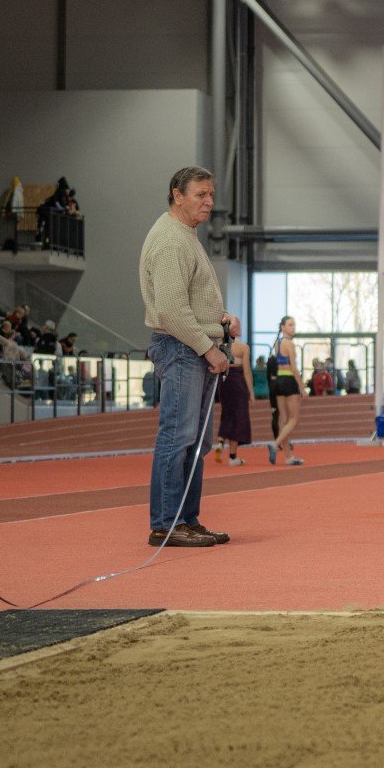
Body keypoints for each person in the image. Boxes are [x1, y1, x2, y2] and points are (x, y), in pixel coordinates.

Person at [138, 164, 240, 549]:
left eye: (211, 194)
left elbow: (188, 304)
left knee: (195, 442)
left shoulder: (185, 236)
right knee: (178, 438)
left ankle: (187, 520)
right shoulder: (170, 241)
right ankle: (165, 524)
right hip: (181, 348)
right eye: (200, 194)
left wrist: (221, 319)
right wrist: (208, 348)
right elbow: (171, 311)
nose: (209, 201)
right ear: (177, 195)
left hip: (191, 346)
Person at [268, 316, 306, 466]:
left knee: (283, 419)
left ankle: (288, 457)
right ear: (283, 327)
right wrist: (302, 387)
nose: (293, 328)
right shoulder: (289, 343)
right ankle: (275, 443)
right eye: (290, 325)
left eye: (294, 325)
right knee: (293, 419)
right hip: (288, 381)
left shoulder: (277, 343)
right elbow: (294, 367)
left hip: (278, 382)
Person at [215, 340, 253, 466]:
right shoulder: (243, 347)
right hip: (238, 382)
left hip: (223, 381)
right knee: (238, 418)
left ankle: (221, 442)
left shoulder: (218, 346)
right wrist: (251, 393)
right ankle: (232, 456)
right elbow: (247, 371)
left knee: (226, 414)